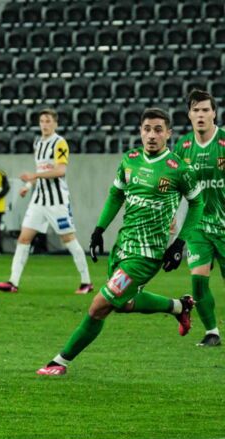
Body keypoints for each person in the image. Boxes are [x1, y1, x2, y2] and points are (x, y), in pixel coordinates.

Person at [36, 108, 203, 376]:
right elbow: (116, 194)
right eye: (147, 129)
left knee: (98, 306)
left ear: (168, 134)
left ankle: (59, 362)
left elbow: (197, 203)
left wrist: (179, 244)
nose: (152, 135)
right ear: (140, 131)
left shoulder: (179, 169)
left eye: (158, 130)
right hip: (123, 246)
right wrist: (99, 229)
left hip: (147, 255)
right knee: (123, 303)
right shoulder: (130, 160)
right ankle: (179, 306)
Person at [0, 108, 92, 294]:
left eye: (48, 121)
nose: (44, 125)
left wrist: (33, 176)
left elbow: (60, 171)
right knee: (24, 238)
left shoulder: (60, 143)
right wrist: (28, 185)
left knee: (68, 239)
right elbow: (41, 170)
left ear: (55, 123)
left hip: (57, 201)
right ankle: (13, 282)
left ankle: (86, 282)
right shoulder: (38, 143)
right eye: (42, 121)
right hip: (39, 200)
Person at [173, 89, 225, 347]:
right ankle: (212, 332)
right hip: (198, 226)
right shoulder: (183, 147)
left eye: (206, 110)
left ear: (214, 113)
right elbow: (175, 184)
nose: (201, 114)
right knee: (198, 280)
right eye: (196, 110)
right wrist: (171, 213)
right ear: (189, 115)